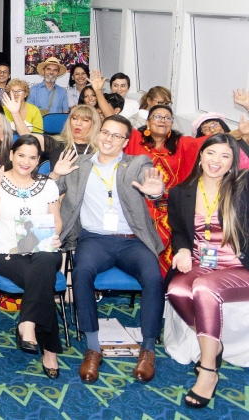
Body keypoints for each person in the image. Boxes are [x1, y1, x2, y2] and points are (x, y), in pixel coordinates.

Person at [49, 114, 167, 384]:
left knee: (153, 277)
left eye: (116, 135)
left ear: (125, 141)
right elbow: (46, 192)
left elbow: (152, 187)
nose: (108, 139)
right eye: (105, 132)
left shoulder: (136, 163)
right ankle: (93, 347)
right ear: (98, 133)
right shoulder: (79, 164)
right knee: (81, 273)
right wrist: (56, 173)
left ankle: (148, 349)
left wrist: (155, 191)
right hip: (94, 239)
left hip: (131, 240)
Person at [166, 134, 249, 408]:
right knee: (176, 289)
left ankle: (208, 369)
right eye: (212, 153)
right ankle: (213, 341)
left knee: (203, 288)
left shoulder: (243, 187)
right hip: (202, 262)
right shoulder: (181, 192)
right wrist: (182, 249)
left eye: (225, 156)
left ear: (233, 162)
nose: (217, 161)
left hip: (238, 266)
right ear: (200, 156)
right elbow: (179, 231)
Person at [0, 138, 63, 379]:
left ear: (39, 160)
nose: (26, 162)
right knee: (42, 278)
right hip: (5, 251)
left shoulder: (48, 185)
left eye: (32, 157)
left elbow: (55, 219)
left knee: (46, 261)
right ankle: (50, 350)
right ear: (12, 154)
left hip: (41, 250)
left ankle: (27, 323)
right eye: (21, 155)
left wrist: (55, 236)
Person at [126, 105, 205, 276]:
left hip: (172, 206)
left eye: (167, 118)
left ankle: (168, 284)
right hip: (141, 204)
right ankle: (148, 280)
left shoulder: (181, 143)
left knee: (177, 234)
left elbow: (210, 142)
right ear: (147, 122)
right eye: (157, 117)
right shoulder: (135, 139)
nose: (163, 120)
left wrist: (239, 132)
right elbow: (113, 127)